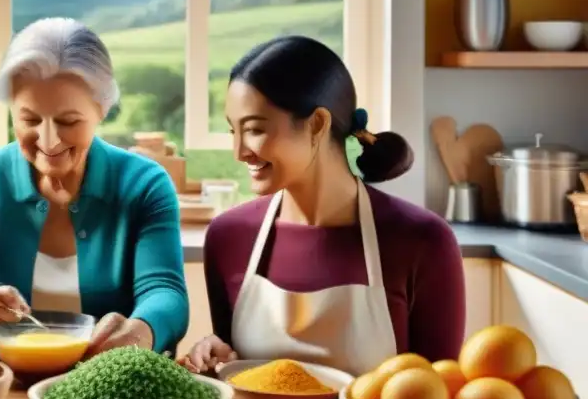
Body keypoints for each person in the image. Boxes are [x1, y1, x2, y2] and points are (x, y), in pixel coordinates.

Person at [180, 36, 465, 377]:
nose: (239, 151)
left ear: (317, 124)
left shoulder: (423, 241)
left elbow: (437, 394)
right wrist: (213, 352)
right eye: (233, 131)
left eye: (254, 129)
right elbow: (235, 370)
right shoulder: (229, 238)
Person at [0, 17, 189, 360]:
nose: (49, 140)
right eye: (30, 120)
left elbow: (165, 293)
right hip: (6, 394)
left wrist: (142, 329)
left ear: (102, 108)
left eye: (68, 121)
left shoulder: (144, 184)